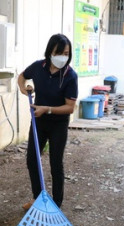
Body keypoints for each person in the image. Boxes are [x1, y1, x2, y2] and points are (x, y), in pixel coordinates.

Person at [17, 34, 78, 208]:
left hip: (58, 124)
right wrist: (23, 88)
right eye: (59, 53)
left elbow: (70, 107)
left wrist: (48, 109)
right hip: (39, 122)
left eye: (66, 53)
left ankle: (56, 204)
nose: (63, 57)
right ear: (49, 52)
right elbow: (22, 76)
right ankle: (38, 199)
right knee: (32, 159)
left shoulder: (70, 76)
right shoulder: (38, 67)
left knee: (55, 162)